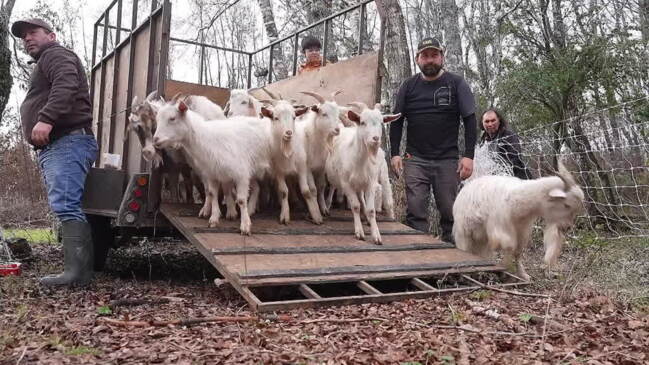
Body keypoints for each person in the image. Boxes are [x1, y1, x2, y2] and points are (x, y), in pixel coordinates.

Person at [12, 18, 98, 286]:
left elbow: (66, 84)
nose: (27, 39)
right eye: (23, 36)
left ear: (51, 35)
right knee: (66, 204)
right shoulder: (47, 59)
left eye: (33, 33)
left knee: (66, 204)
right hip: (60, 144)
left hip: (67, 141)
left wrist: (46, 118)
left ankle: (76, 276)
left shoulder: (56, 54)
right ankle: (78, 273)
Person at [389, 37, 477, 243]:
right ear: (417, 59)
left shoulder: (456, 83)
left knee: (449, 210)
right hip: (415, 159)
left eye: (434, 55)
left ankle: (453, 258)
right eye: (425, 56)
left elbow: (470, 119)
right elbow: (396, 121)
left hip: (447, 159)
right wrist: (394, 153)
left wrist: (469, 156)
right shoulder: (408, 86)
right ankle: (420, 255)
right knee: (416, 209)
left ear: (442, 57)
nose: (430, 60)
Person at [480, 109, 533, 180]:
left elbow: (516, 159)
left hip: (516, 180)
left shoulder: (508, 135)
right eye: (487, 121)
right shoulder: (482, 141)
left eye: (493, 120)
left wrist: (496, 170)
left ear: (499, 121)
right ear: (482, 123)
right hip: (493, 181)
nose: (490, 124)